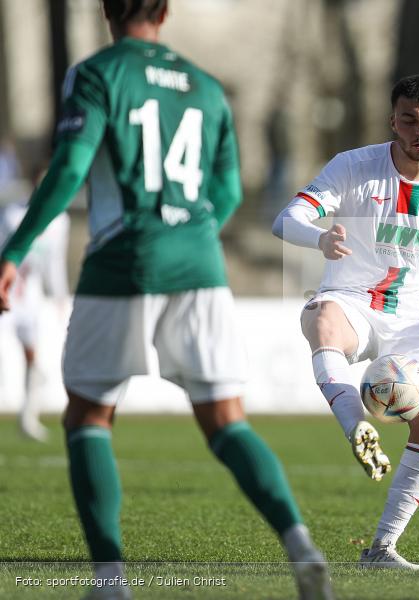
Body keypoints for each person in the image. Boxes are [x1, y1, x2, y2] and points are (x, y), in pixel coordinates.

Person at [0, 2, 333, 599]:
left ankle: (110, 582)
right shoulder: (206, 88)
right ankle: (299, 543)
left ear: (106, 9)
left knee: (88, 415)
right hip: (199, 264)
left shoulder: (97, 73)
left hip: (123, 260)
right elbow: (227, 189)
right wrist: (193, 235)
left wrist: (15, 250)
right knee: (226, 421)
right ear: (167, 10)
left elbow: (73, 164)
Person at [273, 75, 419, 570]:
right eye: (409, 119)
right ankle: (355, 427)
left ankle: (382, 549)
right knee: (324, 322)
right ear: (393, 121)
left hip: (410, 315)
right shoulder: (354, 167)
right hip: (350, 299)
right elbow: (286, 218)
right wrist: (317, 238)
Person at [0, 165, 70, 442]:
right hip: (8, 291)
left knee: (34, 358)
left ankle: (28, 416)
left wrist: (60, 294)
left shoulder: (60, 222)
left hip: (30, 297)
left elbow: (55, 263)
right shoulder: (13, 215)